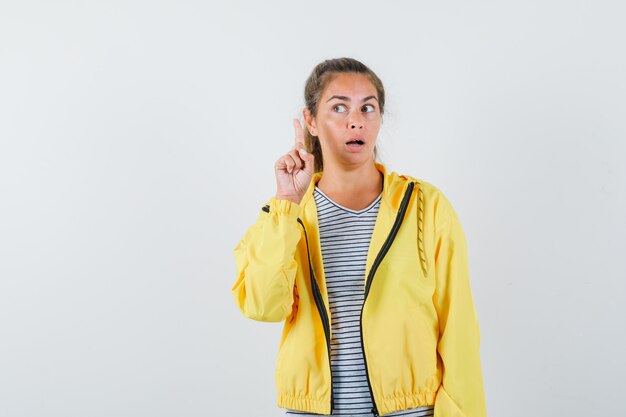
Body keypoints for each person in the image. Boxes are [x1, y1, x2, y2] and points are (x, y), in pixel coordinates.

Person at [231, 57, 486, 417]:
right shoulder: (286, 215)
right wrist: (287, 202)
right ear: (310, 122)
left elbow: (459, 329)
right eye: (339, 107)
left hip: (411, 410)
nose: (356, 120)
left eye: (368, 107)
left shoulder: (425, 207)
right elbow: (262, 305)